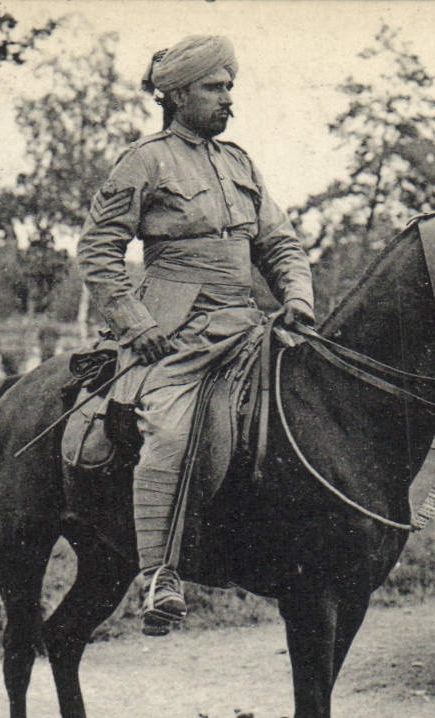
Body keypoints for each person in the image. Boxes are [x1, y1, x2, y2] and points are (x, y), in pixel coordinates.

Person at [77, 34, 314, 636]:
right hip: (174, 335)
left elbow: (279, 243)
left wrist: (296, 298)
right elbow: (99, 251)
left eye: (230, 86)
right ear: (178, 95)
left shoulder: (240, 163)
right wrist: (137, 324)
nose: (228, 98)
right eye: (214, 87)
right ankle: (160, 574)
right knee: (170, 430)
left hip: (246, 325)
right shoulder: (144, 161)